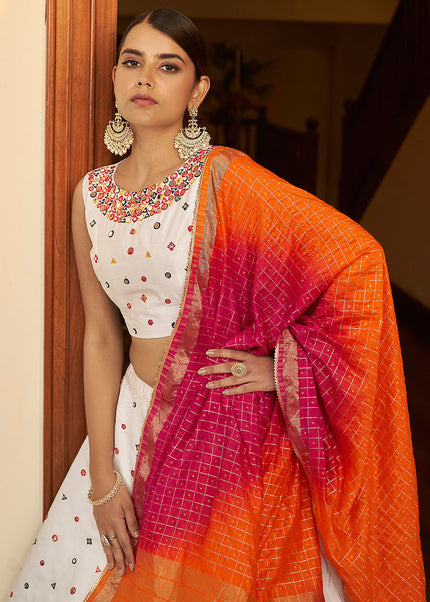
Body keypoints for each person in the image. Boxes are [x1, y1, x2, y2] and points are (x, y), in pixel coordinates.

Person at [11, 8, 425, 601]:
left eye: (167, 65)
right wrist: (103, 477)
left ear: (197, 89)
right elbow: (102, 337)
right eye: (132, 62)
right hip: (134, 423)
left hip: (224, 431)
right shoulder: (90, 196)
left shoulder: (228, 181)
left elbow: (355, 260)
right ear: (113, 76)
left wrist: (282, 366)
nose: (145, 78)